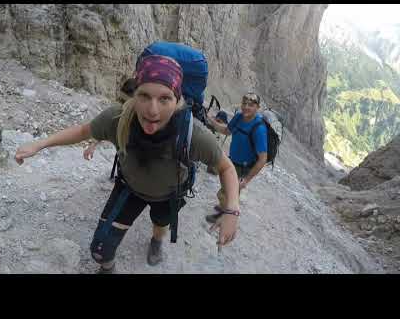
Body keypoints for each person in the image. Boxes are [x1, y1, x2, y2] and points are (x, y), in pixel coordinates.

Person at [15, 55, 240, 274]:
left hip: (170, 194)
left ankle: (156, 240)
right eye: (144, 96)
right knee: (100, 250)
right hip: (129, 189)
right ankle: (107, 267)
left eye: (164, 98)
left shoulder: (194, 135)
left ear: (177, 99)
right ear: (134, 95)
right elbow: (84, 131)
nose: (152, 110)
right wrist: (42, 143)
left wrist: (231, 210)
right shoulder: (118, 119)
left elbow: (226, 167)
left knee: (160, 224)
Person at [205, 92, 268, 224]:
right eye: (244, 104)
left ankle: (224, 219)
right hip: (232, 161)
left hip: (244, 167)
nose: (246, 107)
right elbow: (227, 131)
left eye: (250, 105)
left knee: (227, 192)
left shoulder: (259, 129)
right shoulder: (239, 117)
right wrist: (210, 120)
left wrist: (246, 180)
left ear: (258, 107)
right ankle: (224, 210)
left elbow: (262, 159)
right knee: (227, 190)